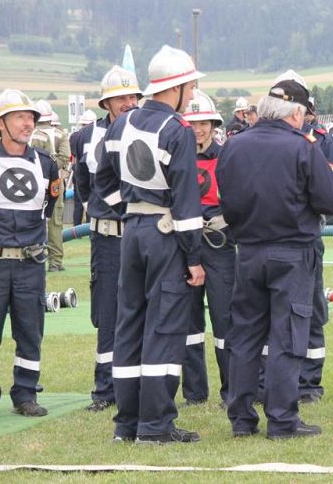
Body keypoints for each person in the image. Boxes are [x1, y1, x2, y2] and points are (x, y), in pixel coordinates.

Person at [218, 71, 333, 440]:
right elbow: (332, 201)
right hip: (291, 252)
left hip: (248, 251)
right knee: (288, 337)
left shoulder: (234, 146)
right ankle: (282, 419)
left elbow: (226, 199)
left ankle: (241, 418)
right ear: (295, 113)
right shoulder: (302, 147)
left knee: (245, 337)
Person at [96, 45, 206, 444]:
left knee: (129, 324)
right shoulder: (177, 131)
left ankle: (126, 425)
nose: (192, 93)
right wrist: (194, 257)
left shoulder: (120, 124)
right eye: (190, 86)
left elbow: (101, 181)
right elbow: (187, 204)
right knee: (164, 327)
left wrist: (127, 209)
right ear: (175, 88)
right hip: (165, 235)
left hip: (132, 233)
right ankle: (156, 426)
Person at [71, 65, 141, 412]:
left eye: (133, 96)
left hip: (142, 234)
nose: (128, 103)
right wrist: (100, 213)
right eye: (121, 98)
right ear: (106, 103)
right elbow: (84, 185)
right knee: (108, 311)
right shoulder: (84, 138)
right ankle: (105, 389)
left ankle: (143, 383)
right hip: (107, 239)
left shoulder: (149, 130)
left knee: (145, 306)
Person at [0, 89, 60, 417]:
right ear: (1, 123)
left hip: (30, 264)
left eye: (31, 117)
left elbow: (48, 210)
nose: (28, 122)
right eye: (20, 116)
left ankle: (26, 393)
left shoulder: (46, 165)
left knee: (30, 331)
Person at [180, 89, 234, 406]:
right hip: (185, 245)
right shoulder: (175, 157)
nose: (198, 129)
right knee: (189, 325)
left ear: (213, 125)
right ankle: (194, 393)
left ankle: (232, 390)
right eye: (192, 123)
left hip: (220, 245)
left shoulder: (228, 155)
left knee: (225, 320)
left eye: (203, 123)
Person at [30, 100, 70, 272]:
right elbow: (65, 157)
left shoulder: (30, 135)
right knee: (55, 223)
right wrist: (52, 169)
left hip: (33, 184)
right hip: (55, 183)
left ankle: (34, 258)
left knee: (32, 220)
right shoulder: (60, 135)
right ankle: (56, 262)